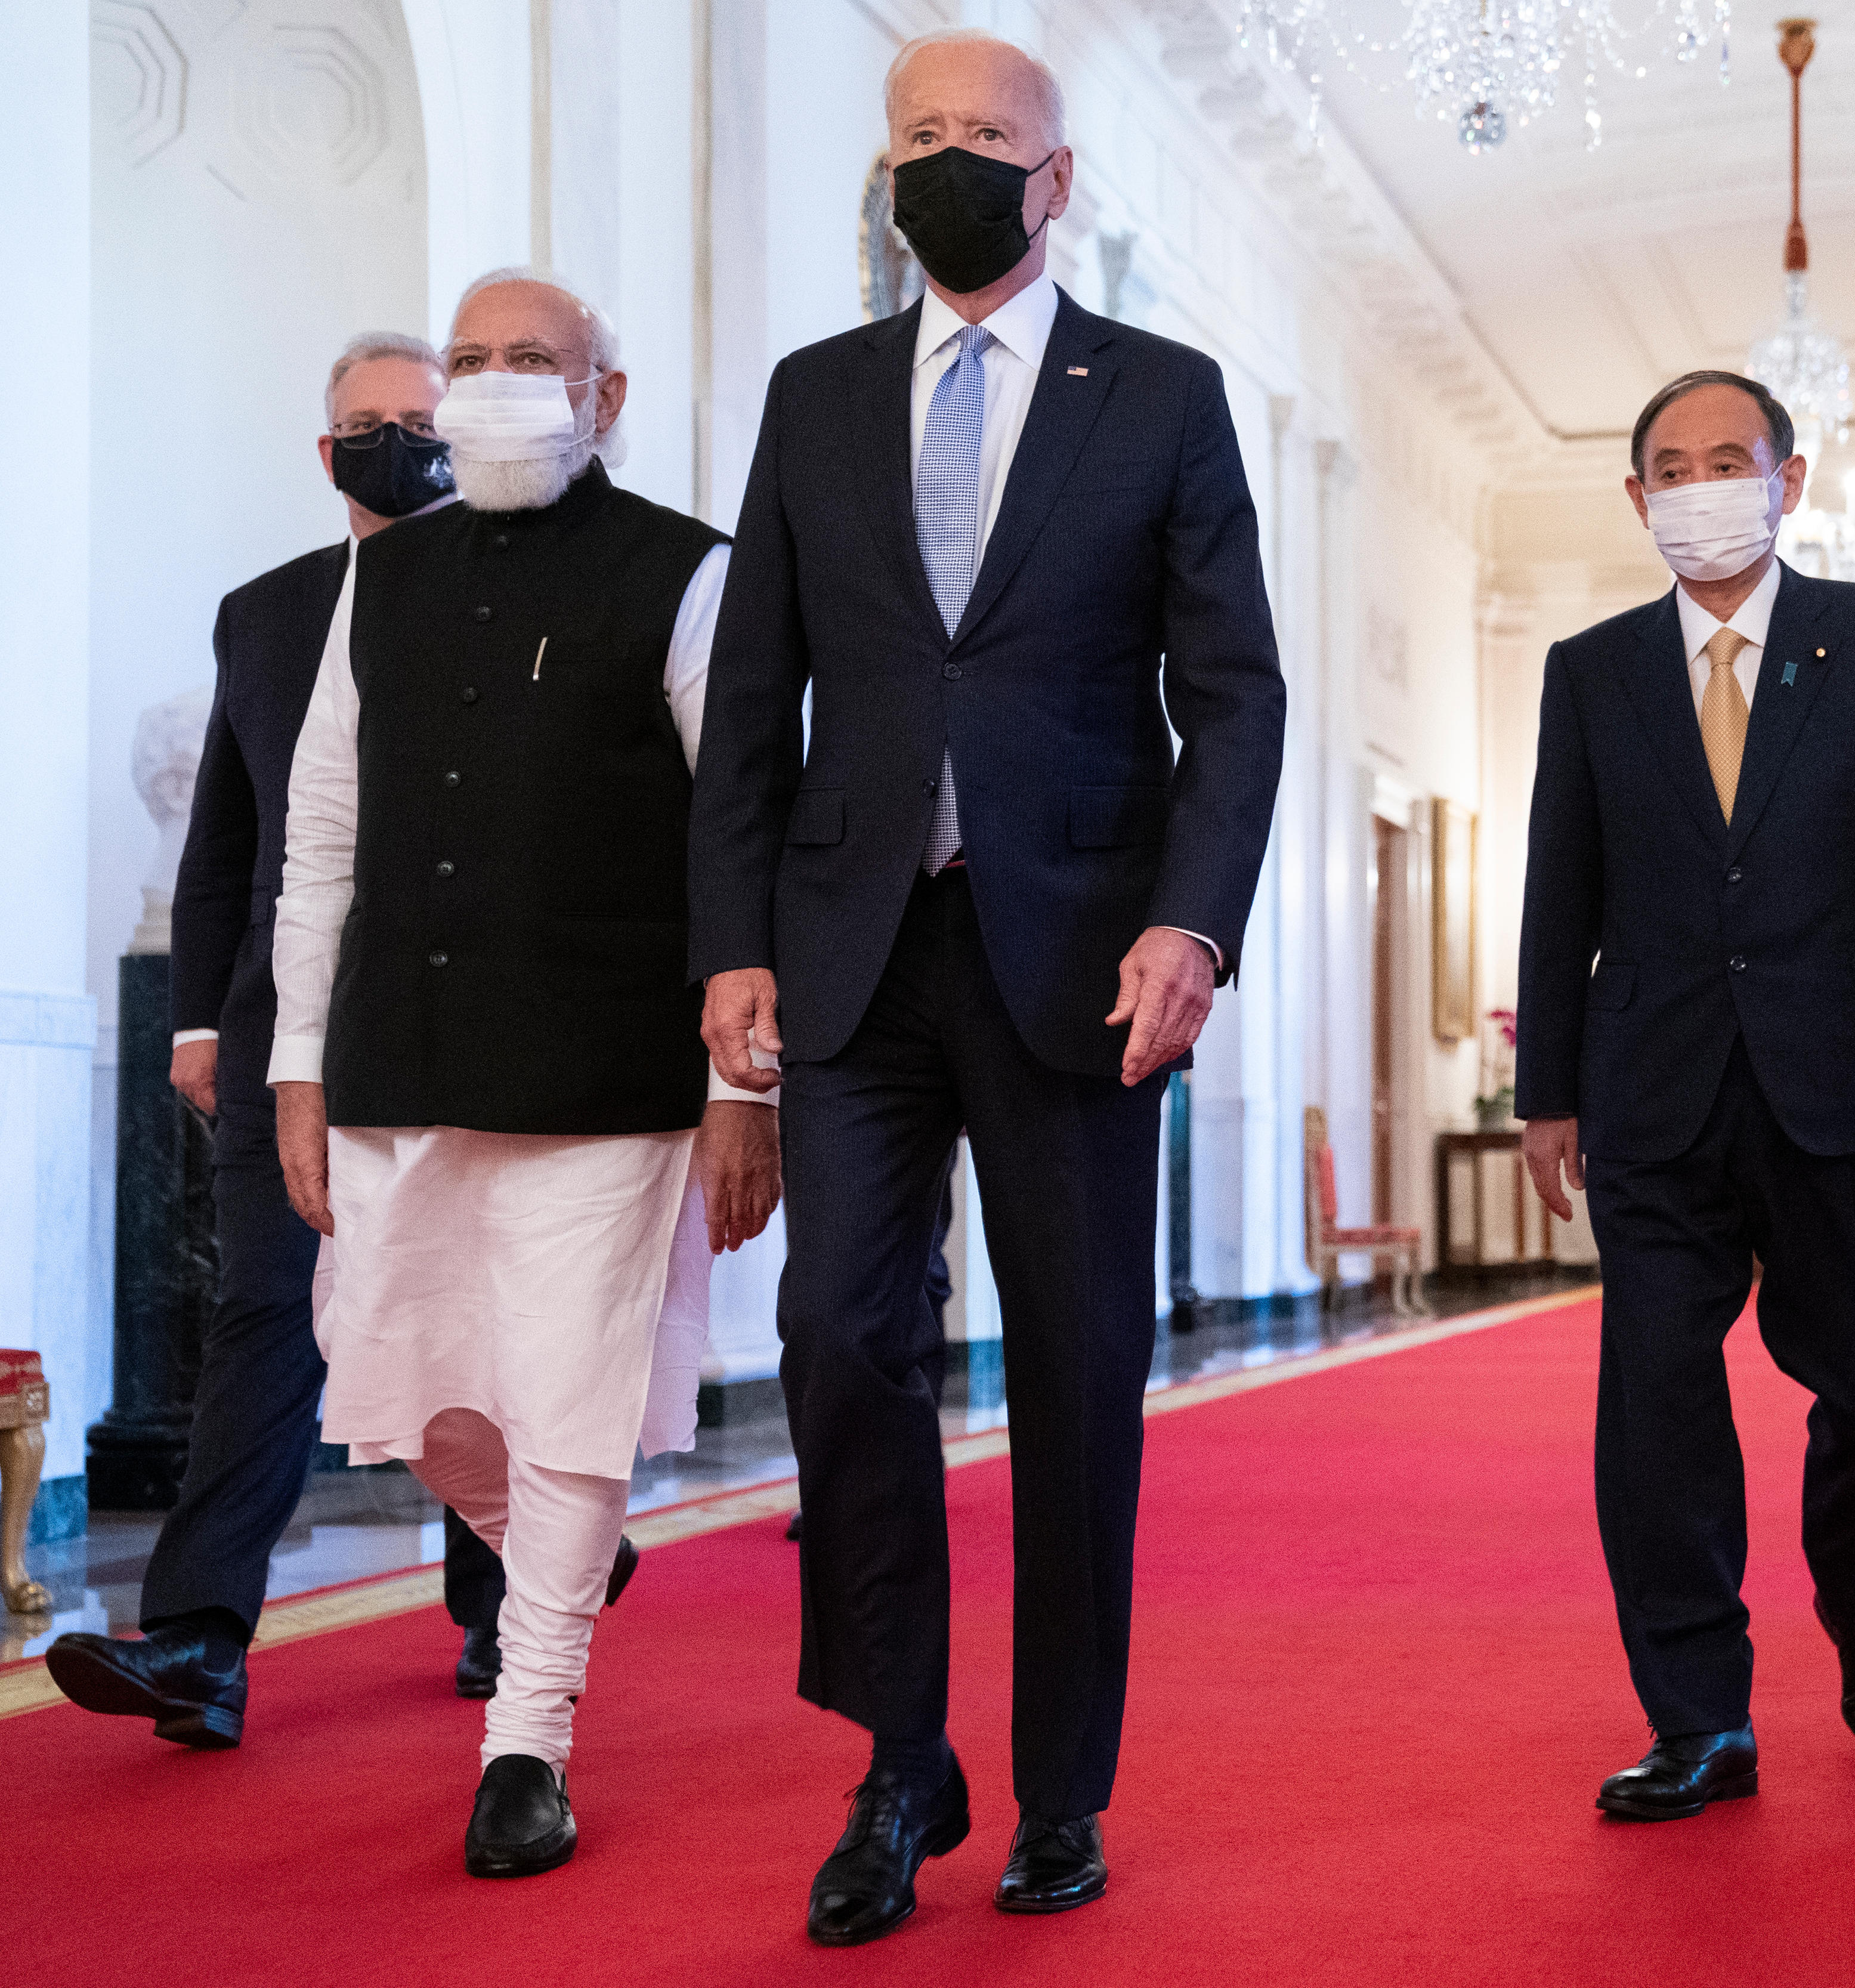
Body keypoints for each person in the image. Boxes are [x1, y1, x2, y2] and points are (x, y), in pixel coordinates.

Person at [691, 27, 1285, 1946]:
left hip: (1085, 964)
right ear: (888, 169)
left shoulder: (1166, 397)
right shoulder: (813, 397)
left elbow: (1239, 694)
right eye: (918, 134)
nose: (949, 160)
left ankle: (1059, 1785)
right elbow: (749, 709)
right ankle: (895, 1760)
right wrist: (733, 947)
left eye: (987, 137)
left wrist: (1192, 921)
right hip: (855, 953)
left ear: (1059, 176)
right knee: (844, 1347)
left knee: (1077, 1374)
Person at [269, 268, 782, 1879]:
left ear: (604, 395)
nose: (498, 383)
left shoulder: (687, 574)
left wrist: (745, 1086)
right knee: (400, 1375)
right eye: (474, 359)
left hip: (611, 1068)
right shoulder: (384, 580)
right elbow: (325, 832)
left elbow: (741, 834)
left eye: (535, 361)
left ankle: (528, 1739)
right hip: (399, 1052)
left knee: (567, 1398)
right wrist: (295, 1060)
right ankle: (566, 1555)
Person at [1515, 369, 1855, 1822]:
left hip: (1843, 1088)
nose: (1700, 480)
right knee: (1652, 1401)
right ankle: (1699, 1715)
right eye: (1670, 462)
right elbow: (1560, 885)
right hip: (1652, 1088)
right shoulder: (1590, 671)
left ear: (1788, 480)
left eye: (1730, 457)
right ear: (1637, 496)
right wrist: (1547, 1085)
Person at [46, 332, 518, 1746]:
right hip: (281, 1030)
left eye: (418, 420)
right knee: (261, 1315)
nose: (393, 442)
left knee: (469, 1323)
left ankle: (505, 1601)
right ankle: (198, 1639)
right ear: (327, 453)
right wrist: (199, 1014)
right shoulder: (262, 613)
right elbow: (222, 845)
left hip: (463, 1015)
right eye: (365, 423)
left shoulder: (519, 594)